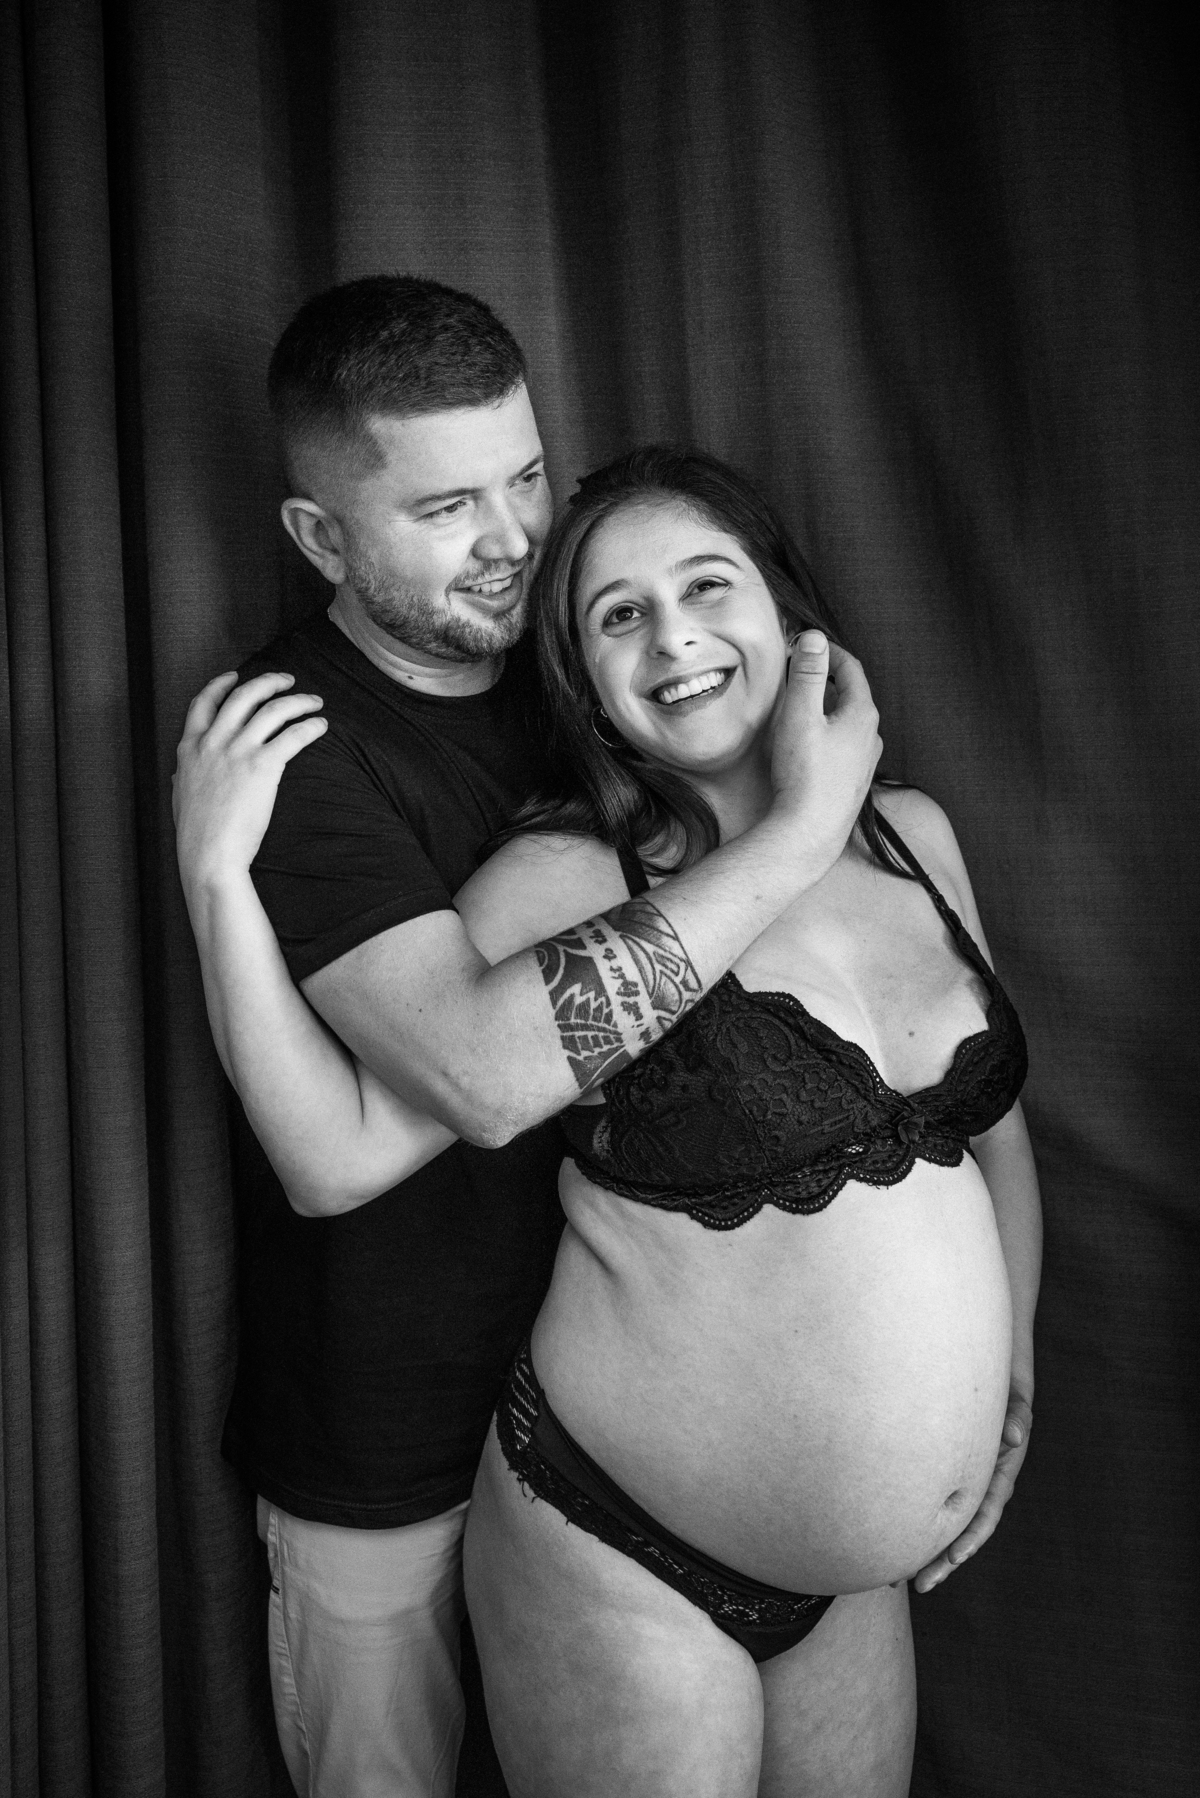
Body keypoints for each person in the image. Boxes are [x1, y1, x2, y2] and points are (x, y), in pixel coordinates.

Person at [178, 438, 1039, 1797]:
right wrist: (219, 883)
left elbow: (994, 1136)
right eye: (618, 615)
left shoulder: (912, 836)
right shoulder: (567, 877)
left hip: (847, 1590)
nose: (674, 638)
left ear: (787, 610)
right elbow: (337, 1153)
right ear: (582, 680)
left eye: (707, 585)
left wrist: (1012, 1357)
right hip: (624, 1548)